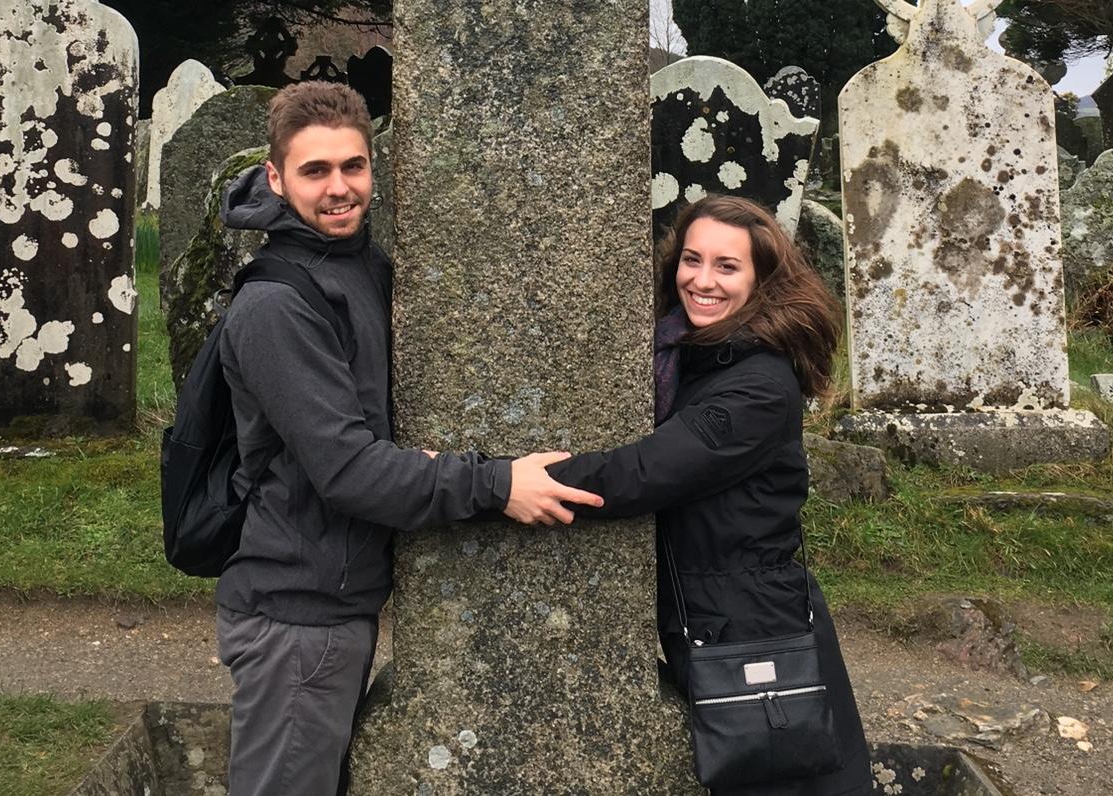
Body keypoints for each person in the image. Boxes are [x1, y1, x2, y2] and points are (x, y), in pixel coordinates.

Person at [216, 81, 602, 796]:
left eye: (353, 166)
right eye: (314, 170)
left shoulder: (361, 266)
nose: (339, 188)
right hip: (298, 612)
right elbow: (347, 470)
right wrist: (497, 483)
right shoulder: (276, 306)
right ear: (274, 177)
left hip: (338, 601)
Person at [548, 194, 871, 796]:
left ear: (762, 279)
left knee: (789, 783)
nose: (702, 281)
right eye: (692, 260)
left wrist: (501, 481)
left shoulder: (757, 386)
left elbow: (644, 472)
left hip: (752, 628)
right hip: (716, 617)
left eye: (727, 266)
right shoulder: (696, 355)